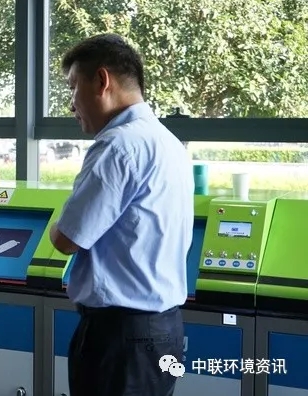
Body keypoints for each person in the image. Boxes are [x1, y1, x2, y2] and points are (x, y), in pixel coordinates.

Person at [49, 33, 194, 396]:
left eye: (73, 87)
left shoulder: (119, 145)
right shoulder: (168, 142)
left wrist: (56, 225)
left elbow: (67, 239)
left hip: (120, 341)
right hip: (162, 331)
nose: (71, 104)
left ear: (102, 80)